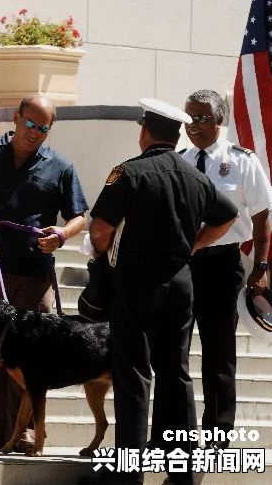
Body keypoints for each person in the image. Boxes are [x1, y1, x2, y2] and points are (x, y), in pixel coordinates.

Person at [78, 98, 239, 485]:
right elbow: (229, 214)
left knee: (133, 373)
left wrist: (105, 257)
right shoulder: (195, 177)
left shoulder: (129, 173)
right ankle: (181, 471)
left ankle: (127, 473)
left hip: (137, 281)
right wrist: (193, 245)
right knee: (176, 373)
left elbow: (99, 229)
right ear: (176, 134)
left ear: (144, 132)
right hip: (182, 282)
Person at [0, 95, 88, 452]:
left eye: (44, 128)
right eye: (30, 124)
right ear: (16, 118)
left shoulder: (61, 165)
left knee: (34, 356)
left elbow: (79, 216)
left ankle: (25, 431)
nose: (35, 133)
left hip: (34, 273)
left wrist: (60, 236)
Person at [179, 89, 272, 452]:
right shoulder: (181, 160)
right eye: (189, 118)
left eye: (201, 118)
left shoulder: (242, 161)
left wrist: (260, 266)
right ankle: (181, 434)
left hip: (223, 264)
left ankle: (217, 436)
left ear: (220, 120)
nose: (193, 126)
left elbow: (263, 218)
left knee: (218, 354)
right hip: (185, 266)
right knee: (177, 351)